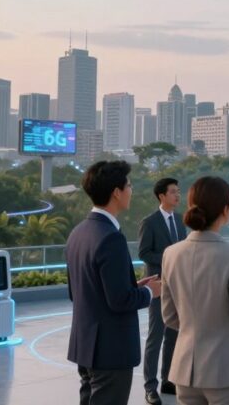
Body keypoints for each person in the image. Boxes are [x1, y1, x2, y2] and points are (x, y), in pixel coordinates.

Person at [65, 160, 162, 405]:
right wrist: (150, 293)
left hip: (85, 345)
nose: (131, 190)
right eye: (128, 185)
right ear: (116, 192)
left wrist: (134, 286)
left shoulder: (78, 233)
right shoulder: (111, 238)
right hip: (111, 350)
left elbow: (79, 291)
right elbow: (119, 301)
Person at [161, 176, 229, 405]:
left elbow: (170, 317)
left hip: (185, 371)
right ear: (226, 210)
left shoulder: (171, 254)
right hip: (228, 371)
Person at [139, 178, 186, 404]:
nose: (178, 196)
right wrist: (169, 257)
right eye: (174, 192)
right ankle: (150, 386)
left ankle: (168, 380)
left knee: (174, 335)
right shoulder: (149, 222)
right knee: (156, 336)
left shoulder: (179, 220)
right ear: (162, 196)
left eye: (178, 192)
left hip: (178, 286)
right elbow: (144, 252)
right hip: (158, 287)